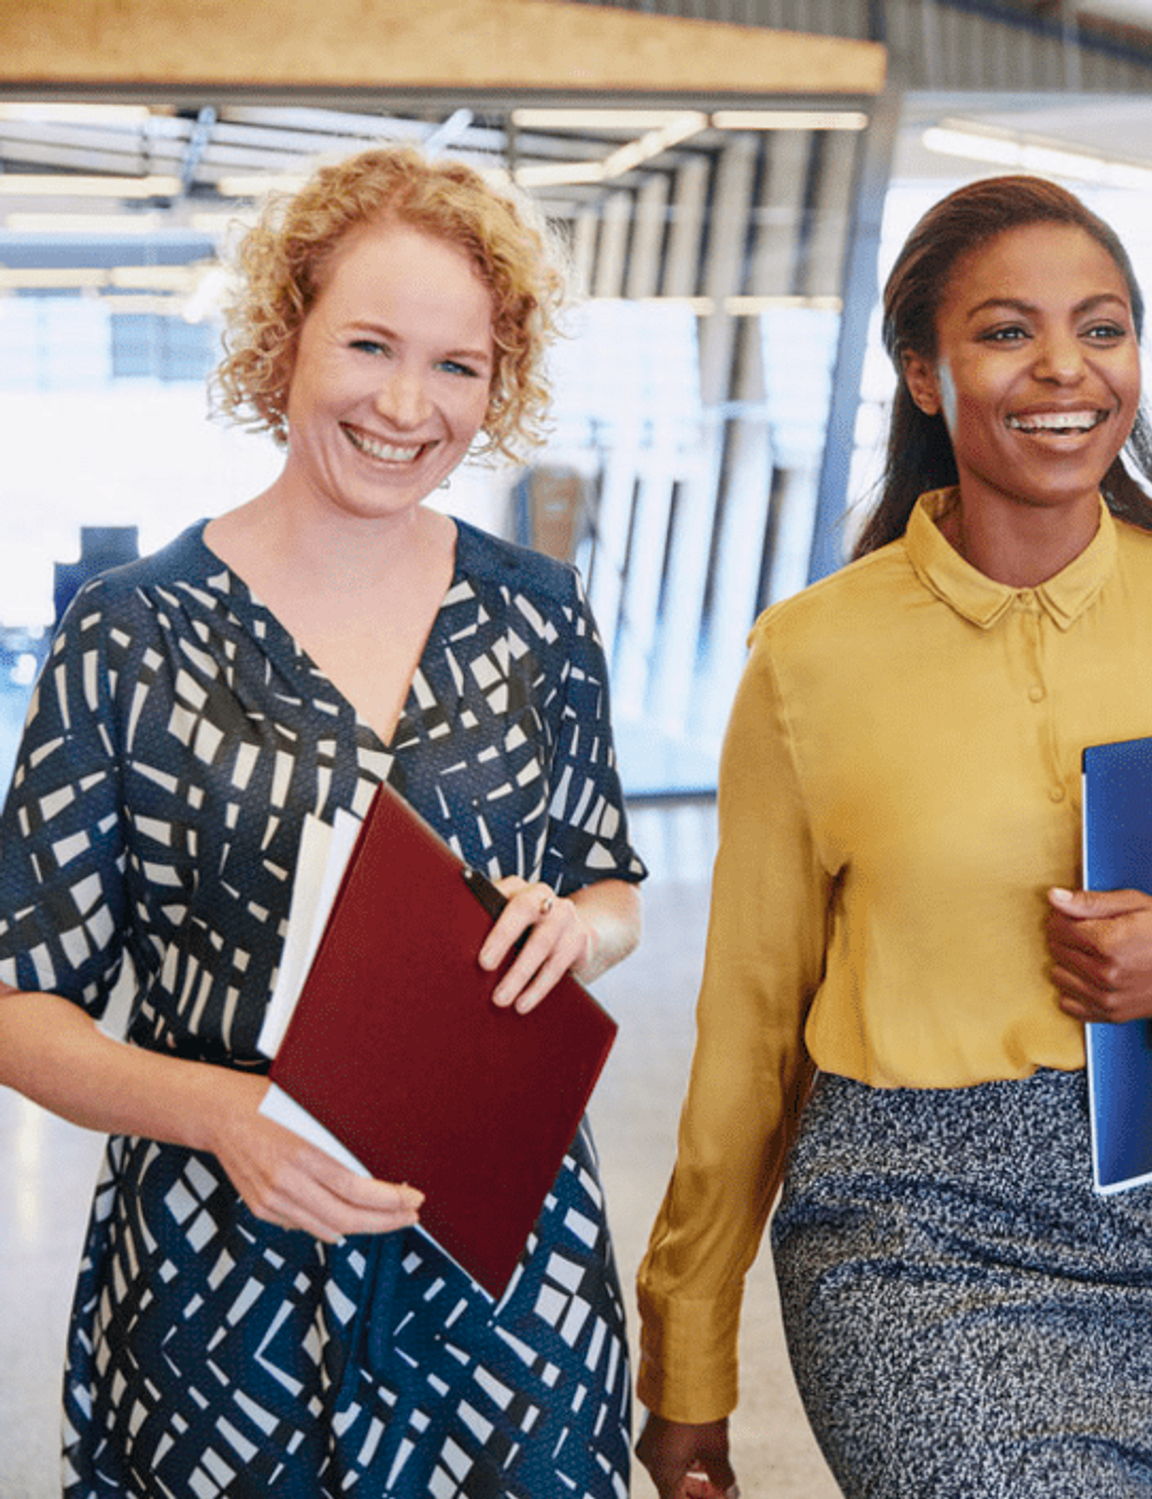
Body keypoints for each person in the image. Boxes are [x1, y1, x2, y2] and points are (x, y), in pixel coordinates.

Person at [632, 174, 1152, 1499]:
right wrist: (687, 1357)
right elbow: (749, 1025)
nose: (1063, 369)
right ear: (923, 373)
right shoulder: (810, 655)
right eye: (1005, 331)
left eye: (1102, 328)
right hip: (905, 1227)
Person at [0, 144, 647, 1496]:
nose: (408, 405)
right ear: (284, 336)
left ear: (499, 380)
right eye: (369, 344)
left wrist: (577, 931)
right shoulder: (132, 635)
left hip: (506, 1287)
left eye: (458, 366)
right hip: (218, 1298)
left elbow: (607, 881)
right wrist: (226, 1112)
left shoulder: (539, 617)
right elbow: (21, 1005)